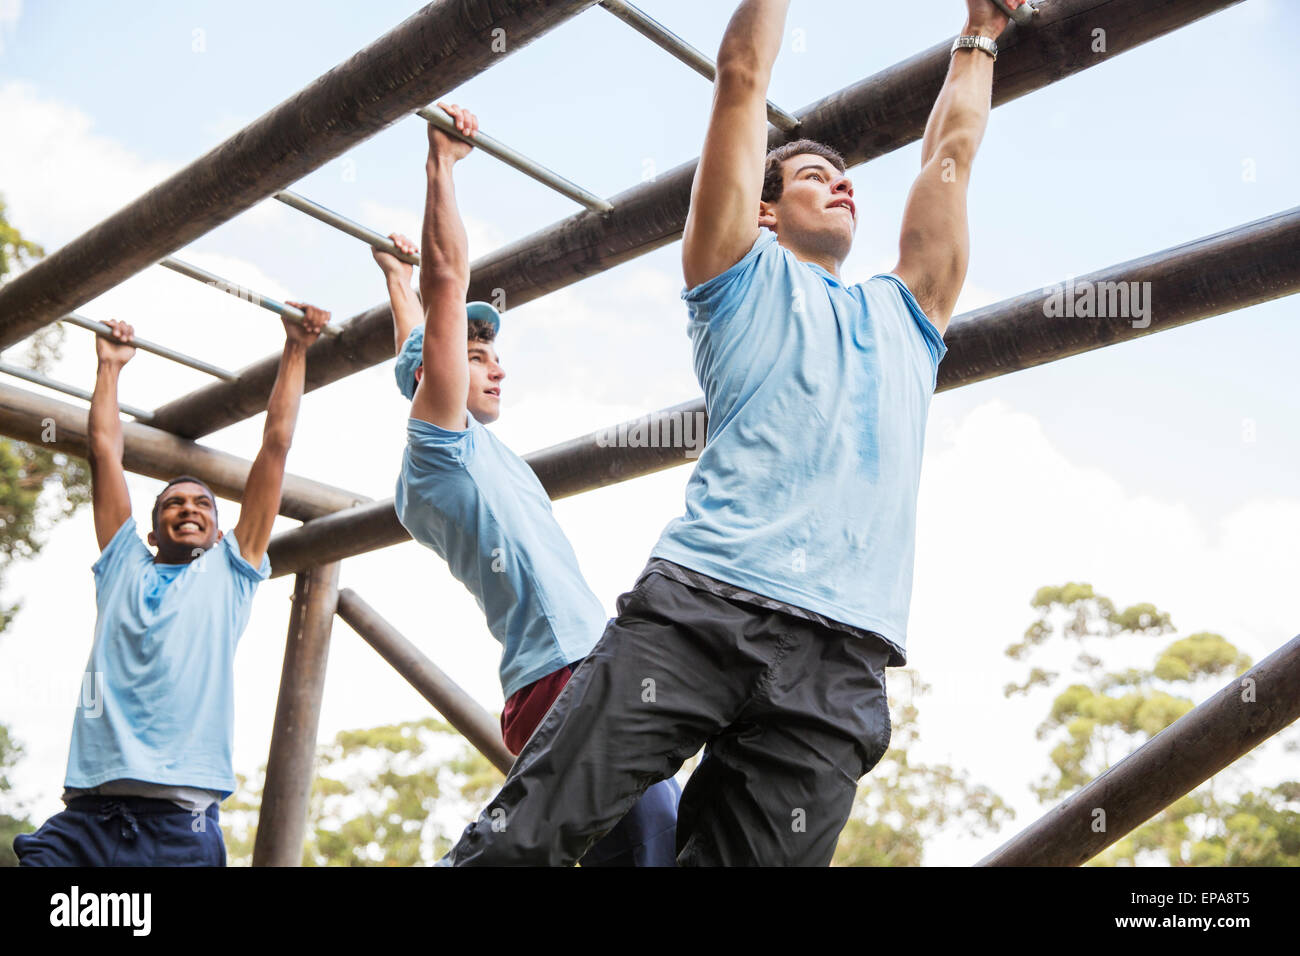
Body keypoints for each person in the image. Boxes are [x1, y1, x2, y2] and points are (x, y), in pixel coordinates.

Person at [441, 0, 1013, 866]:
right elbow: (742, 77)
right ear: (766, 211)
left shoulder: (909, 313)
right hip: (703, 608)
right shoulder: (735, 273)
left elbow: (952, 155)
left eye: (846, 174)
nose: (843, 180)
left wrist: (983, 30)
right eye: (816, 174)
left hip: (842, 660)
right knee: (526, 839)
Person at [380, 103, 679, 866]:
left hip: (570, 677)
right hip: (568, 678)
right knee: (651, 851)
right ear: (436, 376)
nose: (497, 362)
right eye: (476, 354)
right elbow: (448, 292)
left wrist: (395, 279)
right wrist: (440, 167)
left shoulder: (464, 449)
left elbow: (419, 334)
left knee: (649, 846)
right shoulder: (439, 449)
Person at [13, 305, 328, 866]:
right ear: (153, 529)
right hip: (88, 816)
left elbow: (275, 445)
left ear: (218, 527)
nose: (188, 508)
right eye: (173, 503)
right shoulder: (122, 568)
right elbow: (104, 451)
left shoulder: (230, 573)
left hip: (177, 826)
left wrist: (296, 348)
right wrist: (109, 367)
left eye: (202, 503)